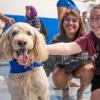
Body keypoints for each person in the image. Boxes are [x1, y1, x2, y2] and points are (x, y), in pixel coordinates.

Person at [47, 4, 100, 100]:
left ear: (80, 23)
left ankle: (81, 91)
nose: (70, 23)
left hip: (81, 68)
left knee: (89, 70)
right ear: (62, 23)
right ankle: (65, 90)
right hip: (64, 69)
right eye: (67, 20)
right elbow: (67, 48)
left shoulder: (85, 36)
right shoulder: (57, 40)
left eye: (74, 20)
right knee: (57, 76)